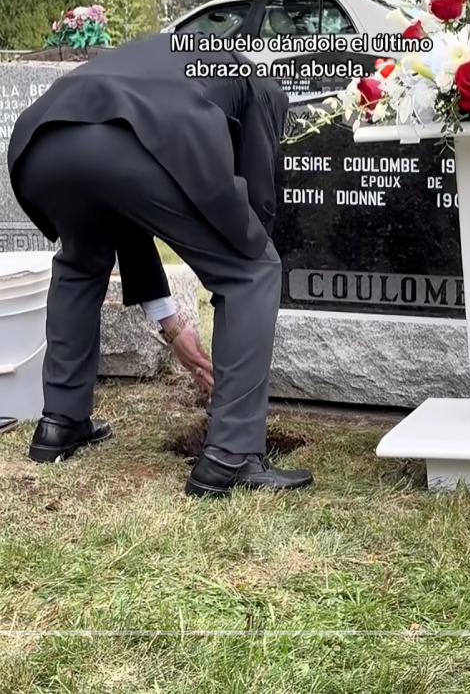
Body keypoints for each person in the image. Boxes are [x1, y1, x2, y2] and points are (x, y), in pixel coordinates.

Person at [7, 33, 313, 498]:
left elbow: (127, 209)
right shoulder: (256, 85)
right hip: (124, 137)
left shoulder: (164, 57)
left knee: (82, 260)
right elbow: (256, 199)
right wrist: (253, 248)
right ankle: (232, 455)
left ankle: (61, 423)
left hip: (40, 142)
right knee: (253, 272)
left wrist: (170, 325)